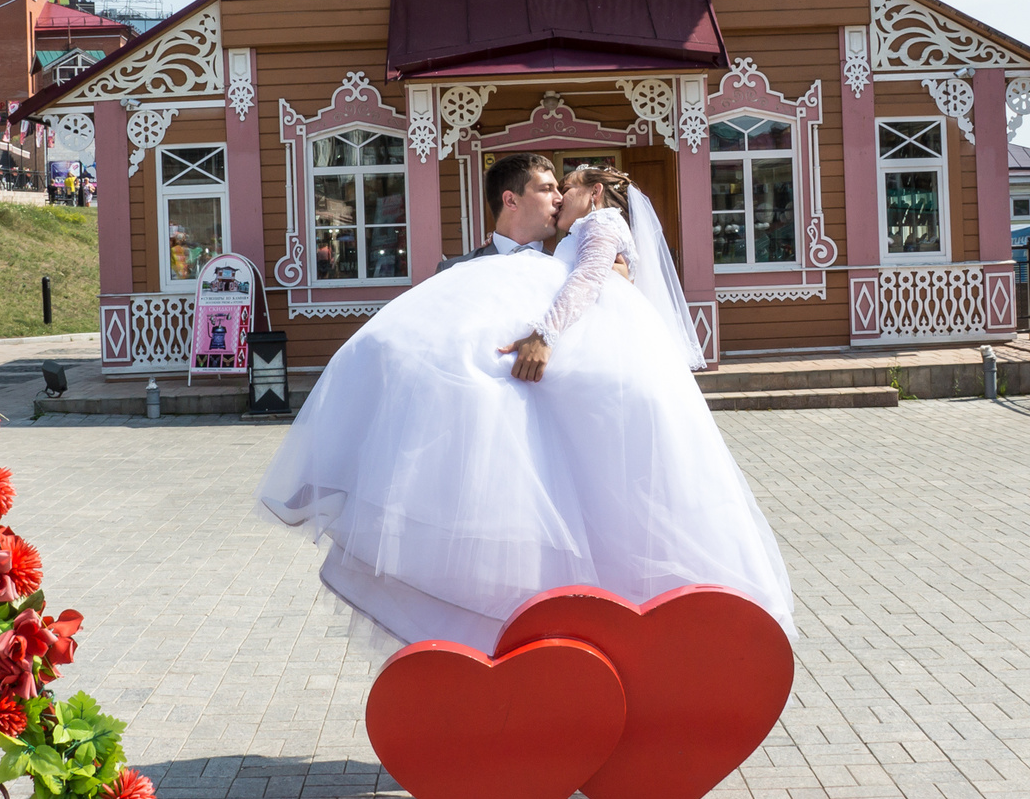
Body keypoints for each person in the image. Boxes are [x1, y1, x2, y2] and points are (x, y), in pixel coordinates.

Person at [258, 156, 794, 653]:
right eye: (547, 189)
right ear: (511, 200)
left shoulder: (572, 255)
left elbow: (592, 282)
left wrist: (560, 322)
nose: (560, 198)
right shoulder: (459, 272)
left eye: (565, 188)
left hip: (561, 436)